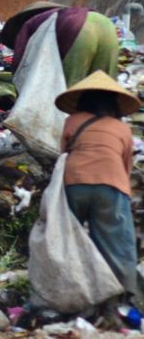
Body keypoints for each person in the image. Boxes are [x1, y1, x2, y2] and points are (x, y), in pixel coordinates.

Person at [56, 70, 144, 318]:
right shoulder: (121, 128)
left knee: (69, 241)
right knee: (117, 244)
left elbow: (63, 154)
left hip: (74, 183)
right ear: (115, 103)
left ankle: (67, 294)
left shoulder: (72, 121)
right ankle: (122, 298)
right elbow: (125, 165)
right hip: (111, 184)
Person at [0, 1, 119, 87]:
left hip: (77, 28)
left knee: (69, 93)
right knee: (104, 87)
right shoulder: (63, 15)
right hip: (106, 24)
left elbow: (21, 67)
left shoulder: (29, 25)